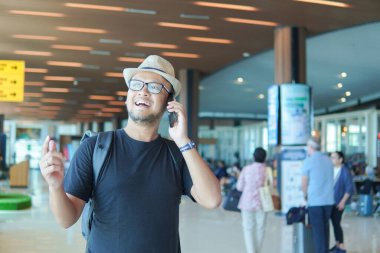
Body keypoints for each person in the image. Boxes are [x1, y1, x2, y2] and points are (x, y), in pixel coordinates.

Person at [39, 55, 221, 253]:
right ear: (128, 96)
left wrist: (184, 141)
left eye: (154, 87)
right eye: (136, 85)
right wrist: (55, 186)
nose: (143, 91)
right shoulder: (95, 148)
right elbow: (66, 219)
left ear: (169, 102)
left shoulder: (176, 154)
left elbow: (212, 199)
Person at [301, 138, 334, 253]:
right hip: (329, 201)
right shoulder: (328, 160)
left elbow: (304, 183)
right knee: (325, 231)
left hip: (315, 202)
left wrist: (305, 195)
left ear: (311, 147)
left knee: (318, 233)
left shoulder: (308, 161)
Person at [236, 147, 268, 253]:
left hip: (247, 202)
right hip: (263, 202)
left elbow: (239, 187)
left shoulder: (246, 169)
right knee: (261, 227)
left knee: (248, 228)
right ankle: (257, 251)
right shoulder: (267, 170)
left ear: (253, 157)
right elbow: (271, 186)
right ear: (265, 158)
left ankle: (251, 251)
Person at [329, 151, 354, 253]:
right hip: (330, 202)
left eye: (334, 157)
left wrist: (342, 202)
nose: (332, 159)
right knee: (334, 224)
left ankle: (342, 247)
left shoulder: (345, 171)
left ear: (340, 159)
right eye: (331, 157)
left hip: (339, 203)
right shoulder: (330, 170)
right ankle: (337, 245)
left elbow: (349, 189)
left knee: (336, 223)